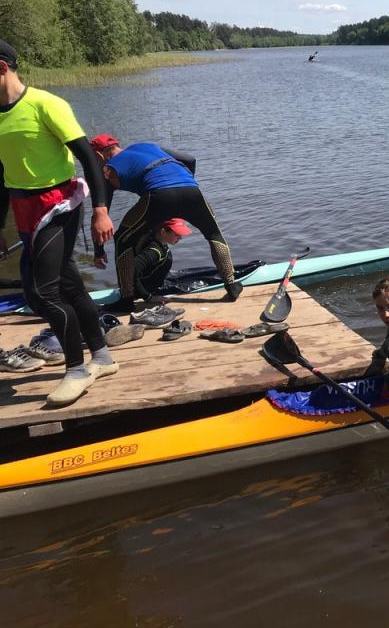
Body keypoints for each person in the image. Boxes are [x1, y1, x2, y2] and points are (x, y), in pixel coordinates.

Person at [0, 39, 119, 406]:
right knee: (69, 284)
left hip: (58, 204)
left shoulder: (45, 104)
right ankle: (102, 357)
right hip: (23, 207)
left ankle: (76, 370)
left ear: (2, 67)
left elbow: (88, 157)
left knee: (42, 293)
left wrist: (101, 210)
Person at [89, 134, 242, 310]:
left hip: (158, 194)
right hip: (191, 190)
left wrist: (98, 250)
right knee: (213, 234)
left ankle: (126, 299)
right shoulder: (146, 146)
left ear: (99, 155)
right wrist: (183, 185)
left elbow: (101, 214)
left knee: (123, 239)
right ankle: (231, 285)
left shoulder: (109, 170)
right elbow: (189, 159)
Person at [130, 217, 192, 305]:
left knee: (207, 274)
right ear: (163, 232)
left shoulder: (159, 240)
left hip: (158, 281)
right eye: (177, 235)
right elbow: (131, 270)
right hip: (148, 290)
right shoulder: (153, 251)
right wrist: (148, 297)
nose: (180, 238)